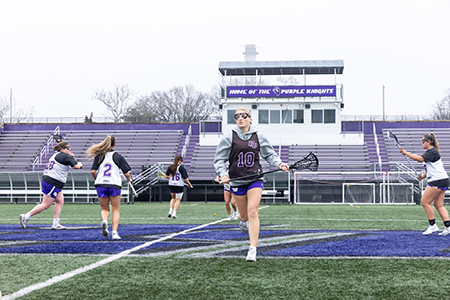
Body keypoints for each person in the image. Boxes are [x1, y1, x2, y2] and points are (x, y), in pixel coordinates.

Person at [214, 107, 289, 261]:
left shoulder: (258, 135)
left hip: (255, 179)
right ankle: (243, 221)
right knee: (243, 215)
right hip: (237, 180)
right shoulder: (229, 137)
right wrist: (223, 174)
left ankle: (252, 249)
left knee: (253, 211)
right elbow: (219, 160)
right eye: (237, 116)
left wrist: (280, 164)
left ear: (250, 118)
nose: (240, 118)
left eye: (244, 116)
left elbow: (269, 154)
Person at [20, 142, 83, 229]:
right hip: (53, 182)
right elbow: (76, 166)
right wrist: (80, 164)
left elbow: (68, 161)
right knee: (46, 204)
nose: (70, 149)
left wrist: (71, 157)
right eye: (68, 148)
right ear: (62, 149)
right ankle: (26, 216)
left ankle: (55, 223)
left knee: (59, 201)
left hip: (52, 181)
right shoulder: (64, 156)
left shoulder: (58, 155)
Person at [400, 133, 450, 236]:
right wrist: (423, 176)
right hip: (442, 179)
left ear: (429, 142)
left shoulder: (432, 151)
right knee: (438, 204)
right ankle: (448, 227)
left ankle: (432, 226)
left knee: (425, 202)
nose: (422, 143)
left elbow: (419, 159)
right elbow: (430, 168)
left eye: (423, 141)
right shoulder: (431, 152)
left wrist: (406, 153)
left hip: (437, 180)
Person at [86, 135, 132, 240]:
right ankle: (115, 233)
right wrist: (128, 179)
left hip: (101, 184)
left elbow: (93, 171)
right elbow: (126, 173)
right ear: (114, 144)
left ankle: (105, 221)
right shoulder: (118, 156)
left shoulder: (99, 156)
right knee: (115, 209)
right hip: (114, 184)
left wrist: (97, 179)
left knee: (104, 208)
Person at [165, 155, 193, 219]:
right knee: (178, 200)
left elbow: (166, 176)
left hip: (171, 184)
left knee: (173, 198)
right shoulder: (181, 168)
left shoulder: (170, 167)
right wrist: (189, 183)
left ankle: (170, 212)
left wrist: (169, 178)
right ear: (180, 161)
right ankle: (174, 213)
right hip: (179, 185)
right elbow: (185, 177)